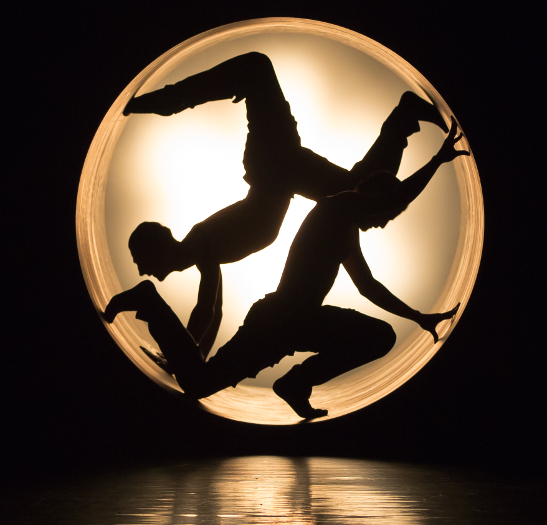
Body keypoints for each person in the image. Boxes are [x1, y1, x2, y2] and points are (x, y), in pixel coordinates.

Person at [104, 120, 467, 419]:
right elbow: (397, 197)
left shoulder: (342, 229)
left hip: (299, 323)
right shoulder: (338, 207)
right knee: (198, 384)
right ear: (373, 201)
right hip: (278, 323)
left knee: (381, 336)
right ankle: (150, 303)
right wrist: (438, 160)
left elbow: (368, 286)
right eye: (386, 216)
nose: (384, 223)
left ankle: (296, 383)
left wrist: (418, 317)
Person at [124, 52, 452, 357]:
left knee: (257, 68)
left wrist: (182, 355)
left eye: (142, 260)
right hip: (280, 174)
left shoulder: (202, 244)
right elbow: (215, 310)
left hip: (273, 169)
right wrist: (195, 358)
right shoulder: (206, 249)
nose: (143, 271)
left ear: (162, 245)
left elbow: (206, 308)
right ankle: (404, 116)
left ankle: (171, 98)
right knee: (360, 192)